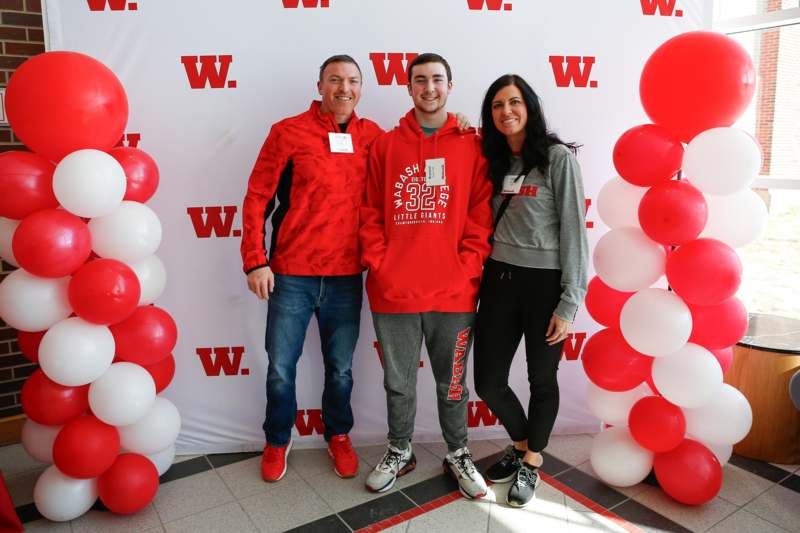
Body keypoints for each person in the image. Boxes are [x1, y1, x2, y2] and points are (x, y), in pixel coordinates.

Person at [241, 55, 383, 482]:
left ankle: (337, 436)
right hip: (290, 275)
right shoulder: (288, 133)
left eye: (353, 81)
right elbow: (257, 198)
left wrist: (465, 129)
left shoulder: (373, 136)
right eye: (335, 80)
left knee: (340, 369)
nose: (344, 88)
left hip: (345, 278)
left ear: (362, 87)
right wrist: (255, 260)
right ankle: (277, 440)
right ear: (319, 85)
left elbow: (416, 158)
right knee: (281, 368)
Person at [359, 53, 493, 499]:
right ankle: (400, 449)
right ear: (409, 88)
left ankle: (458, 452)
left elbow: (480, 214)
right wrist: (381, 260)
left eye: (437, 79)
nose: (429, 87)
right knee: (398, 383)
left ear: (450, 86)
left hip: (454, 293)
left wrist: (467, 266)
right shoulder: (385, 145)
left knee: (452, 383)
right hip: (393, 290)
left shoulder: (472, 146)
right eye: (420, 80)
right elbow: (369, 210)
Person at [473, 74, 588, 507]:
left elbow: (576, 232)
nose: (507, 112)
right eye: (498, 105)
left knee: (542, 379)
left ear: (530, 107)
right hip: (499, 280)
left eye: (515, 102)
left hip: (544, 286)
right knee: (488, 381)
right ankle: (522, 445)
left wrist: (569, 300)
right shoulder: (494, 161)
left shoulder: (556, 159)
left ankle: (533, 461)